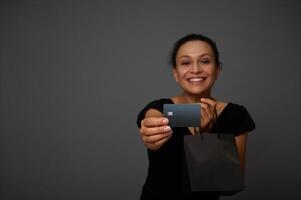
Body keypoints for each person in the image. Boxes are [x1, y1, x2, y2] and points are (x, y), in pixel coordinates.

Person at [136, 33, 256, 200]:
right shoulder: (159, 108)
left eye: (205, 61)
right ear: (176, 73)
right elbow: (153, 117)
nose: (195, 69)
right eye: (185, 62)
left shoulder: (234, 115)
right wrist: (152, 132)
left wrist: (206, 137)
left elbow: (231, 184)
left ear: (217, 69)